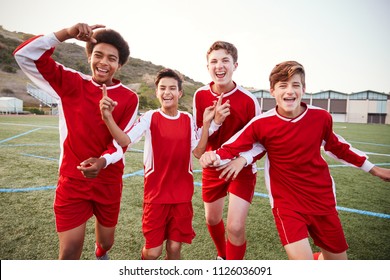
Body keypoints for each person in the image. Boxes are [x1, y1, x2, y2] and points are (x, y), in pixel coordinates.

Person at [199, 60, 390, 260]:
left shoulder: (321, 117)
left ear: (304, 89)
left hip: (321, 200)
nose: (289, 91)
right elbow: (234, 145)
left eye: (295, 85)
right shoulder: (261, 123)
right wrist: (214, 156)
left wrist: (375, 170)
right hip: (287, 204)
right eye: (283, 86)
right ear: (272, 91)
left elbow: (338, 147)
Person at [13, 23, 139, 260]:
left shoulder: (129, 98)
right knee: (69, 252)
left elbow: (122, 143)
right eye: (98, 55)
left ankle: (101, 251)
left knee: (107, 242)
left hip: (108, 180)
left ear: (119, 65)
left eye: (112, 58)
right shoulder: (70, 82)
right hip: (73, 179)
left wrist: (103, 161)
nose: (104, 62)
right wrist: (66, 34)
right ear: (89, 56)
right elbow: (24, 55)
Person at [100, 68, 215, 260]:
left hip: (182, 197)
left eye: (172, 88)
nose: (167, 92)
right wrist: (108, 118)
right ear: (157, 92)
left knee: (175, 248)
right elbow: (124, 140)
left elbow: (198, 152)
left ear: (180, 93)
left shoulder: (187, 119)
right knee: (153, 252)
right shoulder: (150, 117)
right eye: (162, 88)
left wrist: (207, 124)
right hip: (156, 197)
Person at [192, 41, 262, 260]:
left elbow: (260, 143)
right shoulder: (200, 95)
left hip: (240, 167)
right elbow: (198, 142)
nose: (219, 66)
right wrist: (212, 125)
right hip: (212, 166)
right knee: (212, 220)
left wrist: (241, 160)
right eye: (214, 61)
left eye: (225, 60)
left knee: (235, 227)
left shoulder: (249, 101)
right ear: (207, 66)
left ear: (235, 65)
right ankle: (222, 257)